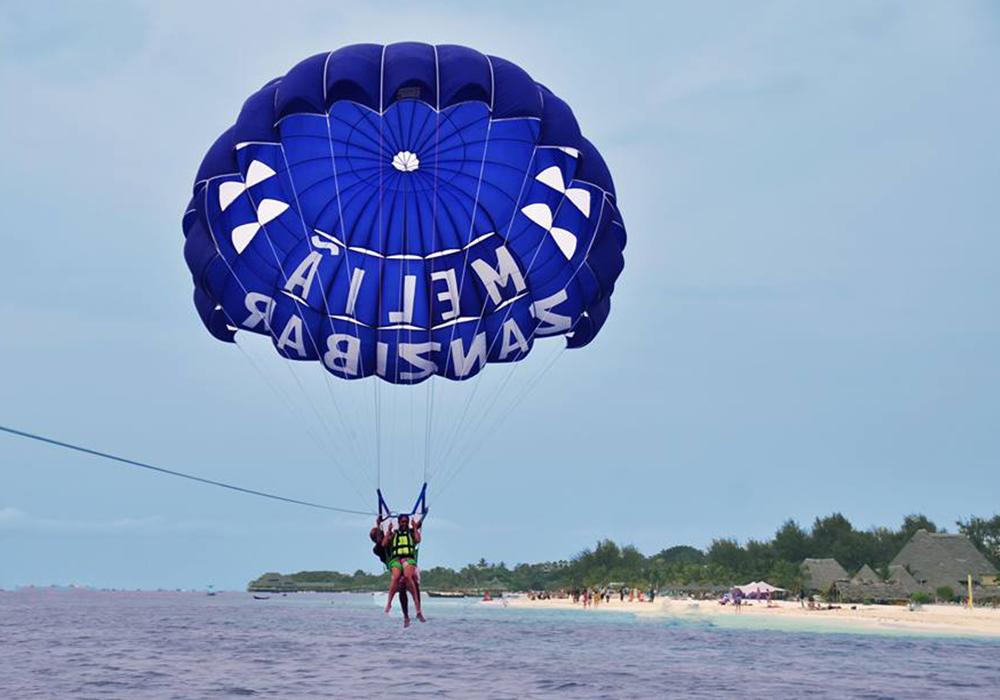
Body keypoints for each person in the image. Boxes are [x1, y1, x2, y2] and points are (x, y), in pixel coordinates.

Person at [381, 513, 425, 622]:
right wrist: (388, 531)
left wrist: (415, 527)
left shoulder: (411, 533)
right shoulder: (394, 534)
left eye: (406, 522)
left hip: (408, 559)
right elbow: (384, 544)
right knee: (395, 577)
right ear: (399, 523)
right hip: (396, 560)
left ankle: (417, 608)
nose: (404, 524)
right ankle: (389, 603)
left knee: (407, 576)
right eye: (402, 522)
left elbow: (418, 540)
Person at [370, 520, 412, 625]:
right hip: (394, 566)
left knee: (404, 587)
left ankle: (406, 616)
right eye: (379, 534)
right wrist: (379, 526)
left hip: (402, 562)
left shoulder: (389, 539)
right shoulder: (377, 548)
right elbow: (381, 541)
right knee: (402, 586)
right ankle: (405, 616)